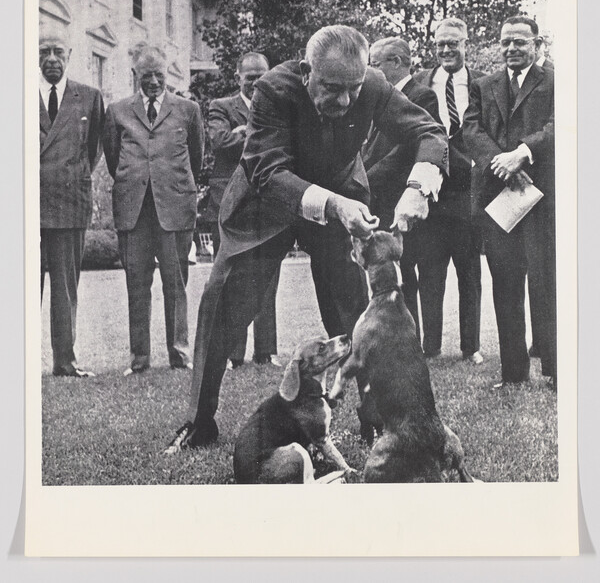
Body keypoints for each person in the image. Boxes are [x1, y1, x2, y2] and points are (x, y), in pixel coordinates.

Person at [166, 24, 449, 451]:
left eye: (353, 90)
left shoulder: (372, 84)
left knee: (354, 308)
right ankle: (199, 421)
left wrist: (419, 187)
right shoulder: (272, 89)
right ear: (305, 71)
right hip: (267, 200)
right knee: (224, 302)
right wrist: (334, 205)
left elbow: (429, 132)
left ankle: (374, 419)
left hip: (341, 194)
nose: (345, 101)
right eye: (332, 89)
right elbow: (267, 169)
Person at [463, 16, 555, 388]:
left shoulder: (556, 80)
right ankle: (514, 374)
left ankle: (555, 371)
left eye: (520, 42)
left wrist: (523, 153)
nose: (511, 49)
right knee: (505, 283)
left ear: (536, 43)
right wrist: (504, 165)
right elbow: (471, 129)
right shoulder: (484, 86)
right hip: (499, 196)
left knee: (546, 285)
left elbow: (559, 124)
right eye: (506, 42)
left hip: (543, 198)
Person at [103, 46, 204, 375]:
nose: (154, 82)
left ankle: (179, 354)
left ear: (167, 75)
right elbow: (112, 157)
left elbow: (197, 158)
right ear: (135, 76)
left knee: (176, 284)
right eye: (147, 76)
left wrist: (173, 187)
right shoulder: (117, 111)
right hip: (134, 212)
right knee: (137, 284)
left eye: (159, 75)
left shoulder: (188, 110)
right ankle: (139, 360)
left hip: (175, 209)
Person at [414, 18, 485, 364]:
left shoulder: (483, 86)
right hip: (432, 193)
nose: (445, 50)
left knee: (469, 273)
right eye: (440, 44)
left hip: (468, 194)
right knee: (430, 272)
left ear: (466, 44)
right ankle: (431, 346)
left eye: (453, 44)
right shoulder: (420, 84)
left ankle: (471, 347)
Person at [364, 36, 440, 340]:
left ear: (396, 62)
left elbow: (407, 149)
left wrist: (366, 177)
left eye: (375, 64)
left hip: (400, 198)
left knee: (403, 272)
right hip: (374, 197)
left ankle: (411, 339)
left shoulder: (422, 96)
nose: (369, 71)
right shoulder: (373, 96)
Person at [206, 52, 279, 368]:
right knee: (229, 279)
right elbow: (219, 141)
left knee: (268, 278)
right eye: (250, 76)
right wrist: (253, 132)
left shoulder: (279, 105)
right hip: (230, 204)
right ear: (237, 77)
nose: (256, 81)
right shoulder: (221, 106)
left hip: (268, 203)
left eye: (262, 75)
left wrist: (241, 133)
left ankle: (266, 352)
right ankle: (232, 354)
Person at [39, 26, 105, 377]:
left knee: (65, 289)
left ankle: (65, 361)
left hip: (69, 202)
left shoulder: (89, 97)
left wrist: (73, 178)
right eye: (44, 51)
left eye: (57, 52)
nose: (51, 59)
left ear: (68, 55)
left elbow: (92, 149)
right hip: (27, 206)